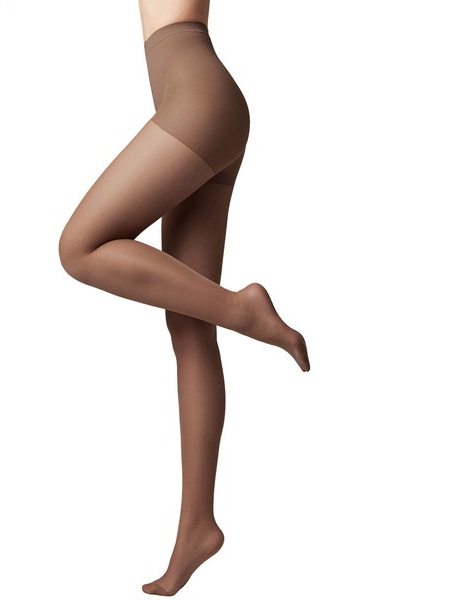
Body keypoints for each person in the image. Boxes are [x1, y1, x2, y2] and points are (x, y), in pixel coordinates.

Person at [58, 0, 310, 595]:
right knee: (190, 326)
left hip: (199, 105)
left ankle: (244, 309)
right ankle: (197, 524)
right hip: (200, 105)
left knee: (80, 247)